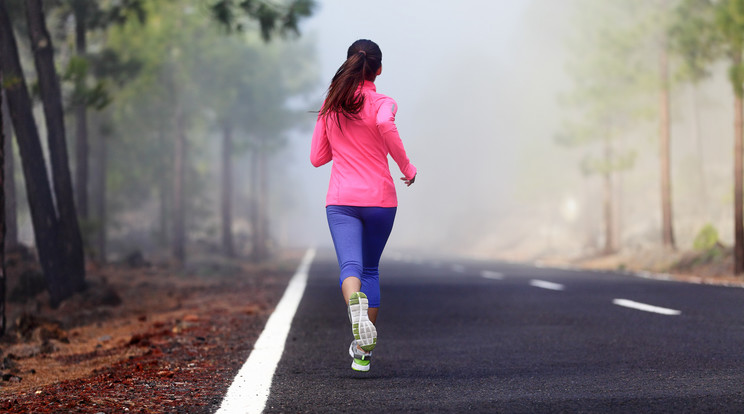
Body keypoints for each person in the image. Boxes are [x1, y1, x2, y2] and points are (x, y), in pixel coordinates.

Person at [310, 39, 417, 372]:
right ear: (379, 70)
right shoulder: (384, 102)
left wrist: (340, 139)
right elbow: (385, 124)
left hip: (342, 201)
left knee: (350, 268)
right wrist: (407, 167)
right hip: (380, 200)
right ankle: (362, 351)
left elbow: (317, 158)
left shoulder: (332, 105)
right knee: (370, 269)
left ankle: (354, 311)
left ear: (350, 65)